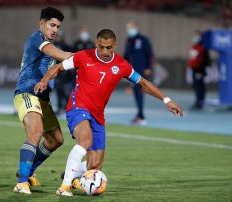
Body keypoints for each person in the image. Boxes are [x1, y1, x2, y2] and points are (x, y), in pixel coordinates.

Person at [34, 29, 183, 197]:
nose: (105, 51)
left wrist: (166, 100)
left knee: (95, 167)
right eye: (102, 47)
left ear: (115, 45)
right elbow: (59, 67)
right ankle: (65, 187)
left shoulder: (121, 65)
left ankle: (74, 173)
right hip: (78, 107)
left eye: (109, 48)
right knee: (85, 140)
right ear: (97, 43)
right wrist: (44, 80)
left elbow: (143, 83)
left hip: (98, 115)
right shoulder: (83, 56)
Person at [13, 7, 73, 195]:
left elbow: (58, 66)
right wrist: (88, 57)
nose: (55, 30)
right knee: (36, 132)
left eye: (58, 26)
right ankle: (22, 182)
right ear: (41, 24)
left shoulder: (48, 45)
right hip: (27, 94)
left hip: (43, 98)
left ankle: (28, 171)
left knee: (56, 140)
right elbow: (59, 55)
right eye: (52, 25)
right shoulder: (37, 39)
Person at [124, 20, 154, 125]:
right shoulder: (128, 41)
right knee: (136, 93)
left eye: (131, 27)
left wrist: (148, 68)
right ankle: (139, 114)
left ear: (135, 27)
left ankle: (141, 116)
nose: (129, 30)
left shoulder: (143, 40)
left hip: (142, 71)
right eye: (128, 28)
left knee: (140, 92)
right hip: (131, 71)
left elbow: (150, 55)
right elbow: (126, 56)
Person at [187, 31, 210, 110]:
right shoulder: (194, 47)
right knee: (196, 86)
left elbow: (206, 60)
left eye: (197, 36)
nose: (194, 38)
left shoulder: (203, 48)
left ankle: (200, 102)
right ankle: (198, 101)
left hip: (199, 70)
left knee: (200, 86)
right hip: (194, 69)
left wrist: (201, 71)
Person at [53, 30, 74, 115]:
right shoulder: (52, 47)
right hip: (56, 73)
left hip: (66, 74)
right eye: (57, 36)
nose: (58, 38)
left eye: (59, 36)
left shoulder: (67, 47)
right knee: (58, 92)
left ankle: (68, 108)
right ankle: (59, 107)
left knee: (67, 92)